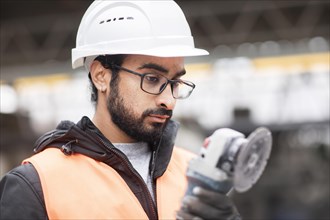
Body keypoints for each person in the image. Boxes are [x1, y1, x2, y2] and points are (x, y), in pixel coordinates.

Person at [0, 1, 241, 219]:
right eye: (152, 79)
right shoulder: (37, 184)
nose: (169, 100)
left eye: (176, 83)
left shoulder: (194, 172)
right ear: (101, 76)